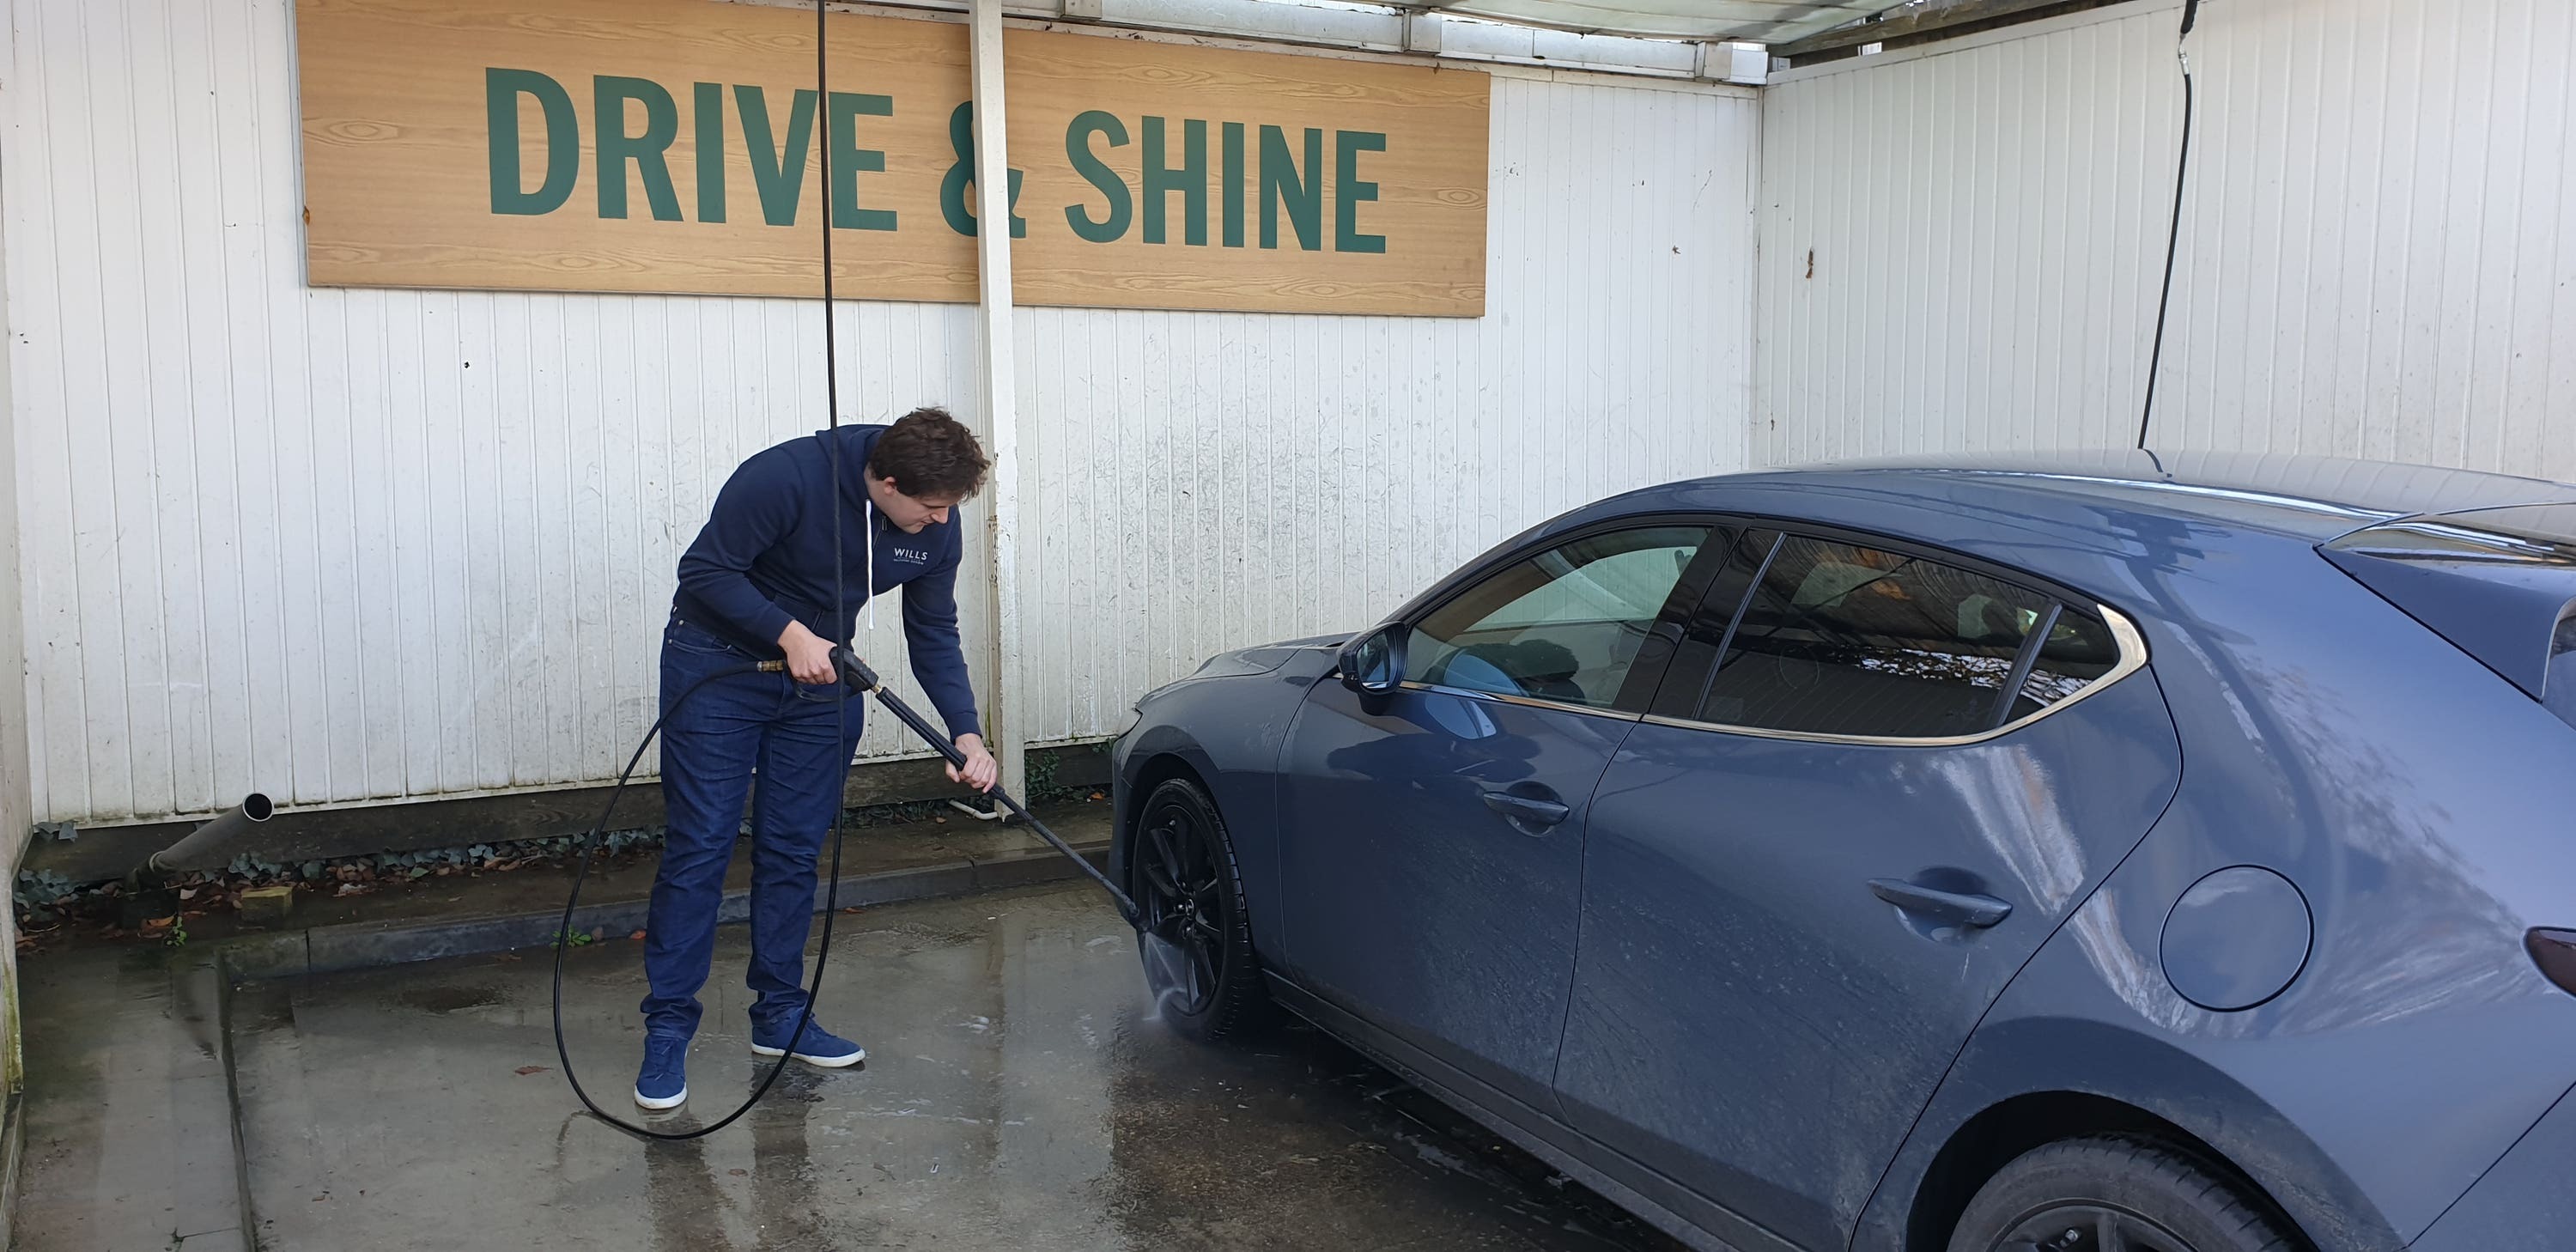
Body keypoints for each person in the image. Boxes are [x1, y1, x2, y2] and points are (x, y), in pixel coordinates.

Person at [633, 406, 999, 1111]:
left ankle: (780, 1017)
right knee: (701, 846)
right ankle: (669, 1031)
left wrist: (967, 732)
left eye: (949, 509)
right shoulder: (785, 478)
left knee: (794, 849)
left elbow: (933, 630)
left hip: (823, 681)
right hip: (717, 668)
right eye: (927, 509)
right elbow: (704, 570)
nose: (939, 523)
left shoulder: (936, 526)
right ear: (886, 483)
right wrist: (787, 631)